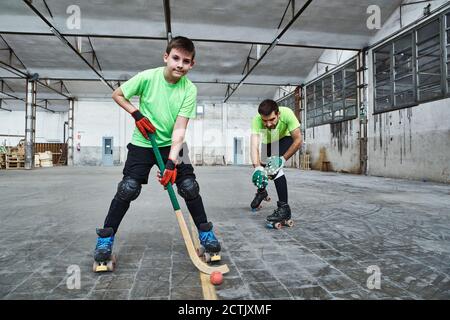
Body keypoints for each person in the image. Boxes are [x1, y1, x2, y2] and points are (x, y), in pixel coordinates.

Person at [93, 36, 221, 265]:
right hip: (143, 142)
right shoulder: (147, 77)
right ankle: (105, 239)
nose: (180, 64)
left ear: (192, 65)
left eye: (186, 61)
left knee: (189, 186)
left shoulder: (189, 89)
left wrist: (171, 163)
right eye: (175, 58)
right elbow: (117, 95)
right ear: (166, 57)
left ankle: (206, 234)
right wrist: (136, 114)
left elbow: (180, 128)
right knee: (128, 188)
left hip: (173, 144)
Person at [250, 99, 302, 225]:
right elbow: (253, 146)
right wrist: (257, 167)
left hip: (285, 137)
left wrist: (282, 160)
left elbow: (298, 140)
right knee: (261, 169)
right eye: (265, 120)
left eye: (272, 119)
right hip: (269, 141)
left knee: (273, 167)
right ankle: (262, 192)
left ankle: (284, 208)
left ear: (278, 114)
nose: (268, 124)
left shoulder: (287, 114)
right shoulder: (257, 120)